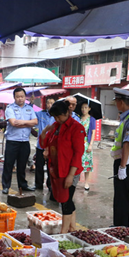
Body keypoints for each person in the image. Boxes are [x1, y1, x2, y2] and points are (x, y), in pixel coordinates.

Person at [39, 100, 85, 233]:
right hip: (56, 169)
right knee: (65, 199)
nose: (57, 119)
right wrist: (44, 133)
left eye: (59, 116)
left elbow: (78, 153)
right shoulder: (55, 126)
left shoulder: (77, 128)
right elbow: (44, 144)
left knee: (66, 200)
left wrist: (71, 175)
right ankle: (72, 227)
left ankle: (63, 232)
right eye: (54, 117)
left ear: (67, 113)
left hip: (70, 170)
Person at [111, 88, 129, 227]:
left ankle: (121, 226)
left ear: (121, 102)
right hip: (123, 161)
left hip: (125, 163)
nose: (116, 104)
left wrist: (122, 167)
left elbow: (127, 144)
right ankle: (119, 224)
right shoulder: (126, 117)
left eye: (116, 101)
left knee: (122, 196)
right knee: (120, 195)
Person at [1, 87, 38, 194]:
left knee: (22, 165)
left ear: (25, 97)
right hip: (12, 141)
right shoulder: (10, 108)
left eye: (22, 96)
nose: (20, 99)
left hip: (25, 141)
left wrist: (21, 122)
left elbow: (35, 122)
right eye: (18, 97)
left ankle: (23, 185)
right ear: (14, 97)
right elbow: (13, 123)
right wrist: (27, 123)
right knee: (9, 164)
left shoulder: (29, 108)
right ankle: (6, 186)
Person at [34, 97, 56, 193]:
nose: (49, 105)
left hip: (52, 147)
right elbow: (32, 116)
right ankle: (38, 185)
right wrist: (31, 104)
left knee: (51, 167)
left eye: (52, 103)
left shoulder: (57, 116)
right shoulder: (40, 114)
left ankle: (50, 185)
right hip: (41, 145)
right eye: (48, 103)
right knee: (39, 166)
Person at [80, 103, 96, 191]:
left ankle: (86, 182)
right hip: (78, 142)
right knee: (77, 162)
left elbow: (93, 132)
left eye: (85, 107)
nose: (83, 109)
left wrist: (90, 145)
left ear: (89, 108)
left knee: (87, 163)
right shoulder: (78, 118)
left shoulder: (92, 119)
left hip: (86, 143)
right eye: (82, 107)